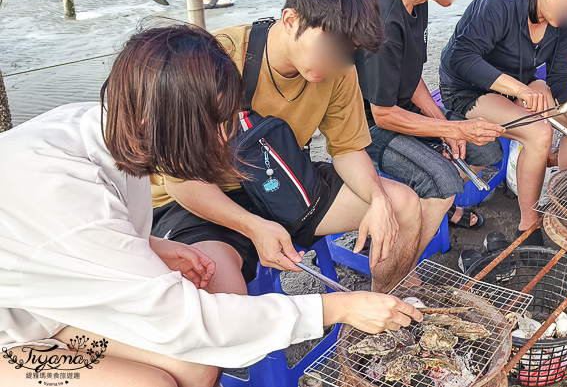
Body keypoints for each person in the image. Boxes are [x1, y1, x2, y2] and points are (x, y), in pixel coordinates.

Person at [0, 25, 421, 387]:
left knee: (197, 364)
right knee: (153, 381)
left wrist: (152, 246)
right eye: (213, 125)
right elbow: (189, 321)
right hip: (16, 335)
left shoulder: (105, 128)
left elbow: (60, 244)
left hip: (49, 306)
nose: (224, 139)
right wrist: (338, 307)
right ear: (159, 120)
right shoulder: (66, 197)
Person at [149, 0, 424, 294]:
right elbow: (182, 182)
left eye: (348, 52)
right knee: (218, 288)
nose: (336, 62)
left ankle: (380, 317)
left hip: (280, 178)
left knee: (403, 205)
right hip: (207, 197)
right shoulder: (216, 60)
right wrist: (253, 226)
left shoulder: (340, 69)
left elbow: (348, 148)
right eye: (329, 47)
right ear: (290, 20)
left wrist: (377, 198)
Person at [439, 0, 567, 243]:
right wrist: (520, 91)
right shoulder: (502, 1)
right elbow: (460, 58)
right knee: (539, 133)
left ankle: (561, 197)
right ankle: (528, 225)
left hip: (518, 83)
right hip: (467, 88)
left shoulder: (562, 22)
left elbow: (559, 78)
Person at [355, 0, 504, 232]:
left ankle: (433, 206)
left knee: (488, 149)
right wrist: (454, 130)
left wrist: (446, 126)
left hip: (401, 110)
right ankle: (406, 234)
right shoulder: (383, 19)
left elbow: (410, 75)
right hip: (367, 127)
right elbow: (382, 114)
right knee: (444, 179)